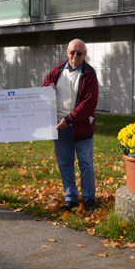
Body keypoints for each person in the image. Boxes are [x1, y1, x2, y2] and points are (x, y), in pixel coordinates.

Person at [42, 39, 99, 212]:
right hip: (59, 127)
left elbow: (89, 104)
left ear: (84, 54)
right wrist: (47, 87)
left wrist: (69, 119)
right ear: (67, 52)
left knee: (86, 164)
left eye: (79, 53)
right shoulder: (57, 70)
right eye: (72, 52)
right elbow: (44, 86)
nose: (75, 55)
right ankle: (71, 197)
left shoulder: (89, 74)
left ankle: (89, 198)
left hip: (80, 127)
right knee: (65, 163)